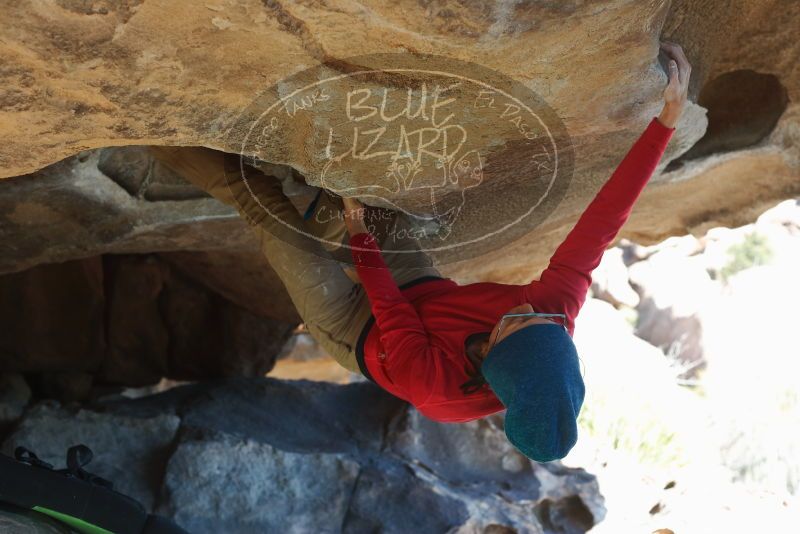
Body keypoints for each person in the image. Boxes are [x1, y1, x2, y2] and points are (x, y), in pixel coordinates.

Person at [150, 40, 691, 463]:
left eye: (515, 324)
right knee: (343, 195)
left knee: (265, 207)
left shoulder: (439, 393)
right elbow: (603, 221)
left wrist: (360, 233)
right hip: (419, 289)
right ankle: (283, 166)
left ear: (491, 355)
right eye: (543, 319)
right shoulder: (550, 317)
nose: (525, 309)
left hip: (359, 329)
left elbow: (390, 312)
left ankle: (153, 130)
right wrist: (665, 123)